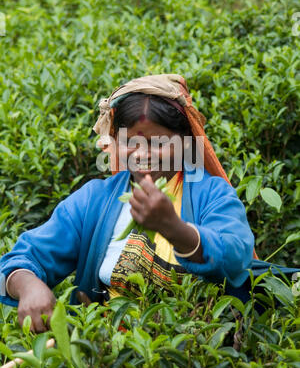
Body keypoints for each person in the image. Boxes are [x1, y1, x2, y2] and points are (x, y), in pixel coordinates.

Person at [0, 74, 298, 333]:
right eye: (131, 142)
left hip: (200, 353)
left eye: (159, 143)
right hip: (112, 350)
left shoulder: (212, 194)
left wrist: (173, 228)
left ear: (185, 143)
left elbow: (236, 257)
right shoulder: (96, 200)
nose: (143, 154)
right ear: (114, 142)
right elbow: (24, 258)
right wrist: (28, 285)